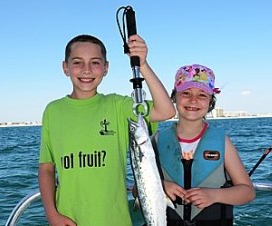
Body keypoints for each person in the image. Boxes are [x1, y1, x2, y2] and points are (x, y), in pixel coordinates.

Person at [38, 33, 176, 226]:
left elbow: (166, 110)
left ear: (106, 68)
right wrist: (52, 215)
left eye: (95, 62)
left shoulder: (117, 106)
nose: (86, 70)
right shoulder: (53, 111)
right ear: (65, 67)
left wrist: (142, 64)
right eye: (77, 62)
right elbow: (46, 168)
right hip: (67, 219)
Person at [154, 64, 255, 226]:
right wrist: (159, 187)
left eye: (202, 95)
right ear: (174, 97)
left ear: (210, 102)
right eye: (186, 93)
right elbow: (138, 189)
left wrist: (214, 195)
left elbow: (247, 192)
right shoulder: (156, 141)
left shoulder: (223, 142)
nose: (193, 100)